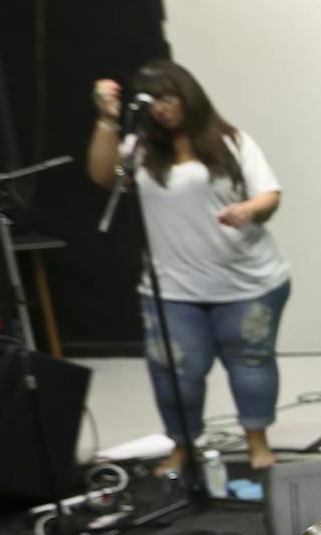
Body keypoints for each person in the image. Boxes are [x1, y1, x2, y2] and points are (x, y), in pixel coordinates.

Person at [86, 61, 289, 474]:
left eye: (167, 97)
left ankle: (258, 443)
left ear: (187, 95)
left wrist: (249, 209)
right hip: (173, 288)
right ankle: (181, 446)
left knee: (250, 362)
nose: (160, 108)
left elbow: (270, 194)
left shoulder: (232, 142)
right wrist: (108, 121)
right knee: (174, 372)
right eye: (152, 101)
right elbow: (104, 177)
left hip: (247, 283)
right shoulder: (141, 149)